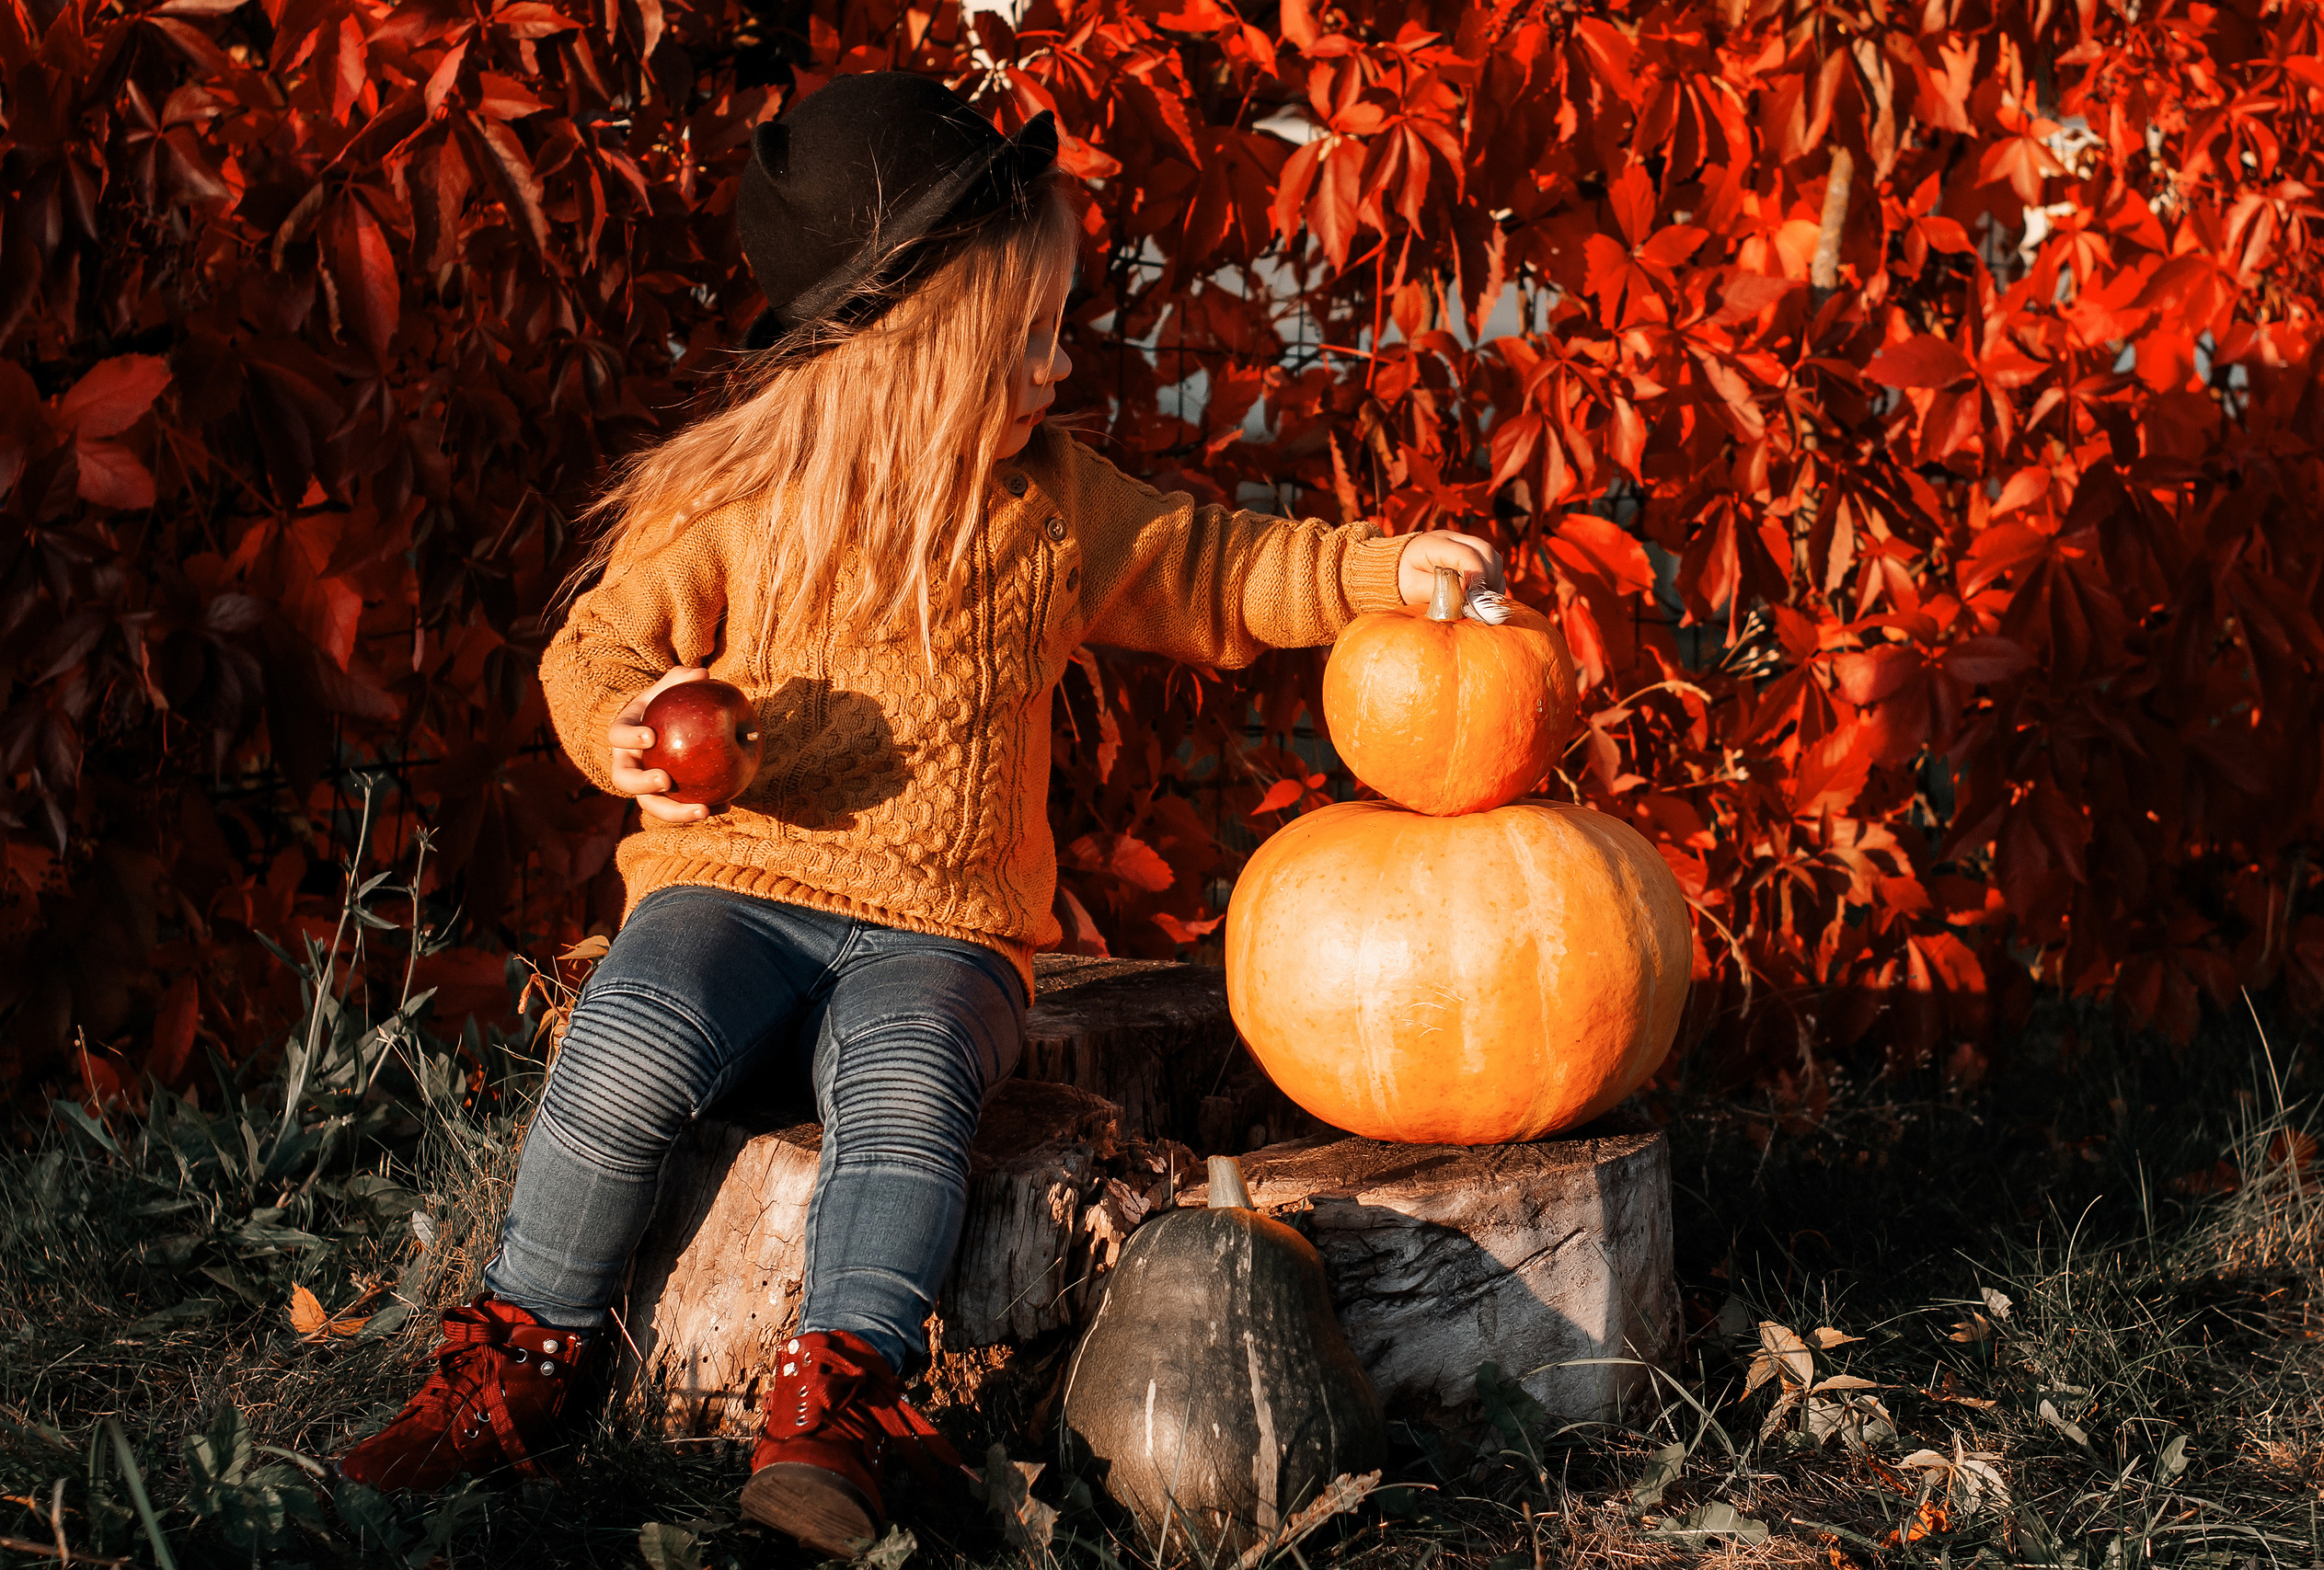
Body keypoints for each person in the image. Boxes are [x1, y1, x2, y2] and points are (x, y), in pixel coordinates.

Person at [333, 70, 1503, 1556]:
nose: (1052, 366)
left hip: (942, 929)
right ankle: (527, 1348)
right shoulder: (744, 512)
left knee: (907, 1081)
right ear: (906, 349)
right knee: (633, 1028)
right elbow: (600, 652)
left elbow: (1210, 569)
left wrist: (1370, 571)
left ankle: (841, 1400)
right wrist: (627, 731)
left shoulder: (1052, 506)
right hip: (730, 885)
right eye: (1020, 337)